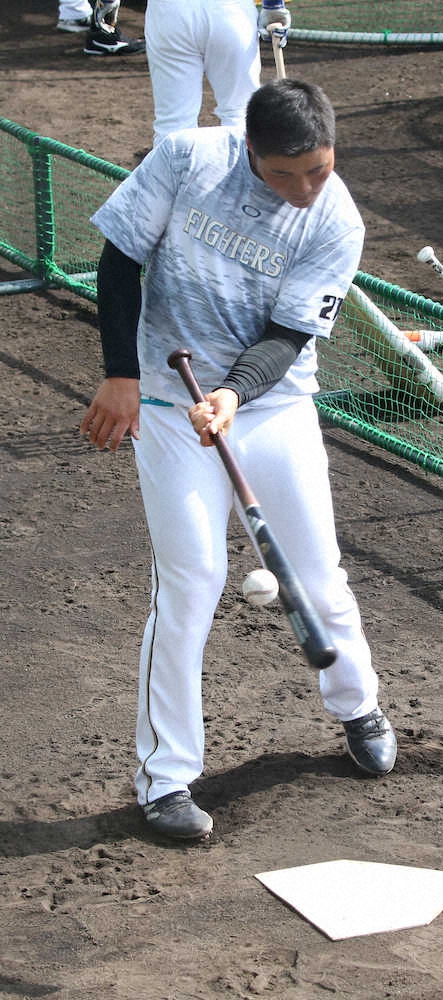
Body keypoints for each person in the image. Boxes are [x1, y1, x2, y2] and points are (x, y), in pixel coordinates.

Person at [79, 77, 398, 841]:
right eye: (284, 174)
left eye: (317, 170)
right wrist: (122, 374)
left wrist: (232, 394)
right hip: (163, 399)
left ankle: (359, 707)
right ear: (247, 147)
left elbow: (289, 336)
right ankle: (165, 779)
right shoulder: (189, 159)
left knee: (316, 574)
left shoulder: (337, 218)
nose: (303, 189)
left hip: (273, 402)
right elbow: (119, 260)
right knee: (192, 579)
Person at [144, 0, 290, 147]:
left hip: (170, 13)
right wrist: (274, 6)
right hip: (230, 11)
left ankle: (168, 169)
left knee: (173, 125)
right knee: (240, 114)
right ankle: (241, 168)